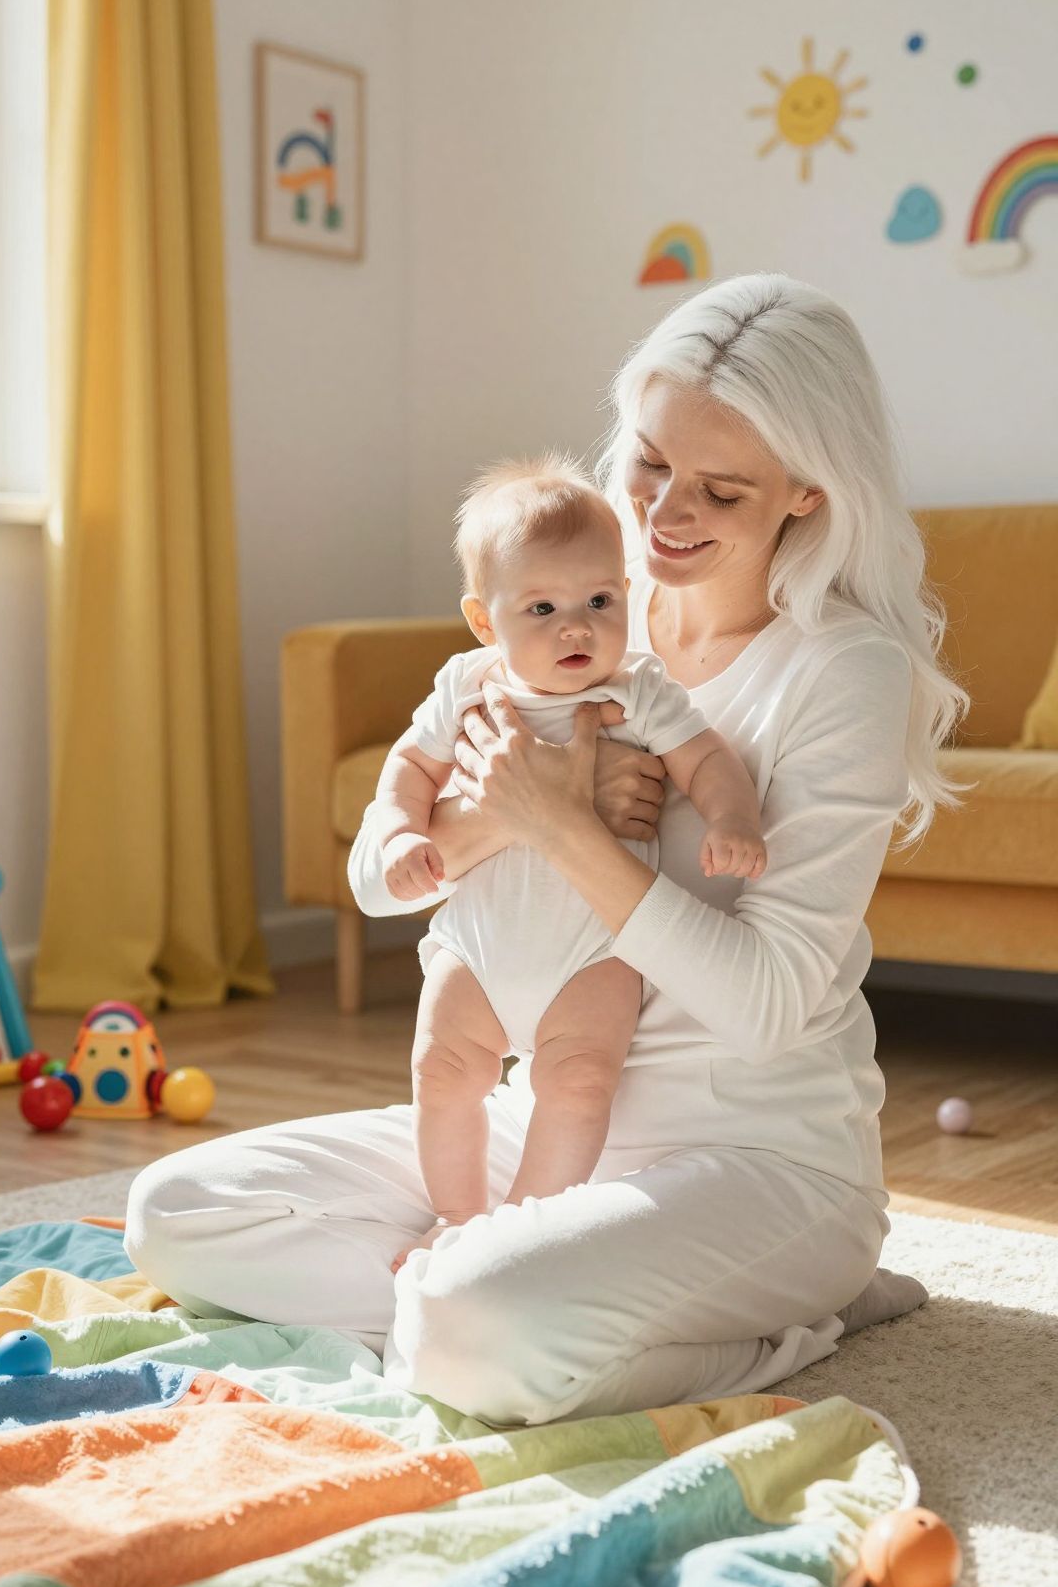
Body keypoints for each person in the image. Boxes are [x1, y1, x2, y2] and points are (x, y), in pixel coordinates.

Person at [125, 273, 965, 1428]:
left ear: (807, 493)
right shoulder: (574, 606)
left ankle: (791, 1319)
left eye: (720, 489)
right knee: (176, 1210)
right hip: (554, 1126)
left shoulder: (840, 668)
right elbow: (387, 870)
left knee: (471, 1326)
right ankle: (500, 1304)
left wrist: (570, 828)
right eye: (650, 462)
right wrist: (510, 815)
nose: (666, 511)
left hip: (760, 1159)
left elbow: (767, 1005)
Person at [378, 453, 766, 1267]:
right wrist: (402, 834)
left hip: (594, 952)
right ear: (485, 622)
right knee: (441, 1070)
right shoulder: (467, 684)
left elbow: (707, 759)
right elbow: (409, 766)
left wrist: (732, 816)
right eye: (543, 608)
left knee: (581, 1083)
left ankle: (521, 1227)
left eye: (598, 601)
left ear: (625, 591)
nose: (577, 628)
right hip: (477, 946)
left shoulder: (638, 689)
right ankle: (456, 1215)